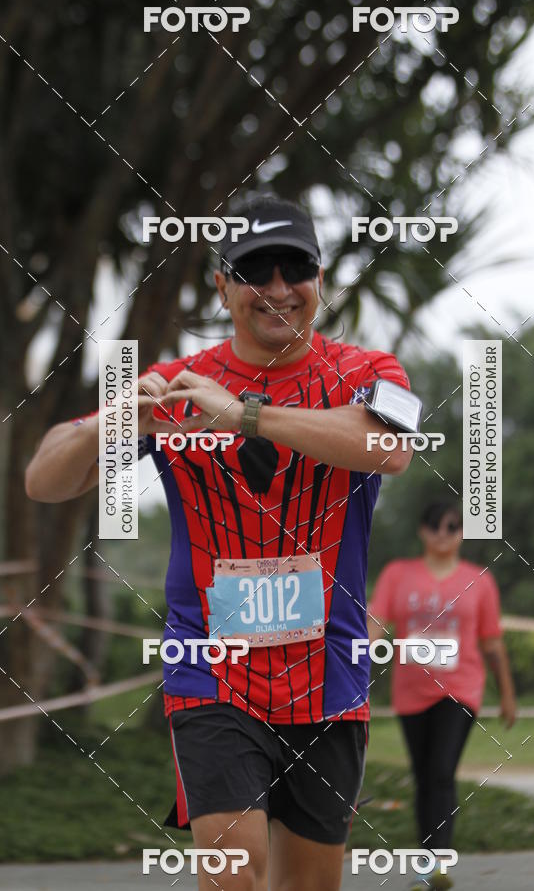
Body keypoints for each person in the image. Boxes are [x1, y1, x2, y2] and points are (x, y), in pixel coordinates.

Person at [25, 195, 416, 891]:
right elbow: (44, 480)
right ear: (221, 285)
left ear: (320, 278)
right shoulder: (178, 385)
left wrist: (245, 414)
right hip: (212, 669)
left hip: (331, 672)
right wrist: (109, 422)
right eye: (252, 271)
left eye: (293, 268)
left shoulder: (369, 372)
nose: (275, 289)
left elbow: (388, 448)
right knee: (233, 876)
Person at [368, 500, 516, 891]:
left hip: (459, 689)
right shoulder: (398, 575)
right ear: (422, 531)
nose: (443, 534)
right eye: (435, 526)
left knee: (441, 770)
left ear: (462, 533)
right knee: (423, 777)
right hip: (411, 692)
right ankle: (425, 858)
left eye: (452, 527)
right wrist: (355, 658)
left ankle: (436, 864)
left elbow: (492, 642)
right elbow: (376, 623)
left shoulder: (478, 580)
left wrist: (507, 694)